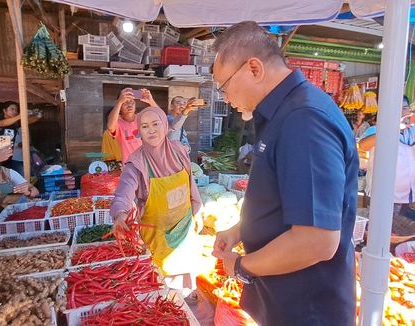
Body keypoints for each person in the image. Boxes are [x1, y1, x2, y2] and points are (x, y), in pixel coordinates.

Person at [211, 21, 358, 325]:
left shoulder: (303, 120)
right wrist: (240, 231)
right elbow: (285, 200)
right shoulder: (285, 112)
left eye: (224, 86)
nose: (225, 98)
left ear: (254, 68)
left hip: (306, 310)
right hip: (285, 303)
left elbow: (316, 241)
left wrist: (241, 266)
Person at [110, 106, 205, 292]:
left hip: (185, 227)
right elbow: (124, 192)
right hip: (156, 236)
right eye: (144, 126)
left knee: (185, 283)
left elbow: (190, 182)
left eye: (155, 124)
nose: (151, 130)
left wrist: (197, 208)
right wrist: (120, 214)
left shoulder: (178, 151)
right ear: (140, 131)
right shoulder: (136, 163)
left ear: (164, 125)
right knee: (162, 289)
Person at [358, 96, 415, 221]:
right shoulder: (376, 130)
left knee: (403, 231)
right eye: (396, 108)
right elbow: (363, 146)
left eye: (404, 108)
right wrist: (392, 129)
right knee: (378, 229)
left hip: (408, 196)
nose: (401, 112)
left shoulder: (413, 131)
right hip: (381, 195)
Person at [107, 88, 158, 164]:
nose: (129, 105)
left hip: (147, 163)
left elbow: (161, 119)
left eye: (132, 101)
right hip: (131, 166)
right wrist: (119, 102)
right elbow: (110, 127)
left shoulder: (142, 118)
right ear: (120, 105)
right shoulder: (118, 123)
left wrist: (151, 101)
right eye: (125, 102)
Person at [0, 101, 40, 176]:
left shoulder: (15, 122)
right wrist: (20, 116)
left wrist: (37, 115)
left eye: (16, 110)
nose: (15, 112)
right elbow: (2, 123)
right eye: (12, 109)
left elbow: (28, 121)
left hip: (8, 158)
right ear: (4, 110)